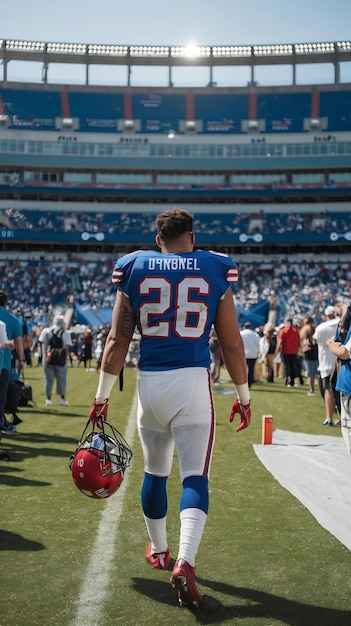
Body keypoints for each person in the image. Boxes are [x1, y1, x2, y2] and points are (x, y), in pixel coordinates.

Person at [89, 208, 251, 609]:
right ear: (191, 237)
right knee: (195, 476)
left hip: (151, 385)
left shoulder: (134, 267)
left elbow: (117, 339)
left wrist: (101, 396)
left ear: (158, 239)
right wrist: (245, 398)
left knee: (155, 473)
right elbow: (231, 344)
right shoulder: (215, 267)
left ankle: (160, 551)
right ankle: (185, 560)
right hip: (193, 382)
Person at [326, 303, 351, 453]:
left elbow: (344, 352)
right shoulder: (345, 320)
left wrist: (331, 345)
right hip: (346, 381)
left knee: (348, 427)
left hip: (348, 384)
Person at [0, 291, 24, 435]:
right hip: (4, 362)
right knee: (1, 396)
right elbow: (19, 343)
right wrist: (21, 360)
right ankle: (1, 423)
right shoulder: (12, 319)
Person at [313, 305, 341, 426]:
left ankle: (329, 417)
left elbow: (315, 341)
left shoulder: (321, 328)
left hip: (325, 362)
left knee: (327, 390)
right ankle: (341, 417)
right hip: (339, 360)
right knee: (341, 392)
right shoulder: (341, 324)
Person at [38, 315, 72, 406]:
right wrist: (68, 357)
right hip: (61, 358)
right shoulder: (65, 333)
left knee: (48, 379)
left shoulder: (46, 331)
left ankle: (48, 399)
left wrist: (44, 356)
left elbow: (43, 344)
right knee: (61, 379)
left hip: (49, 357)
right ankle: (62, 399)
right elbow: (66, 347)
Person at [275, 317, 300, 387]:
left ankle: (288, 380)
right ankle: (292, 381)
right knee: (292, 366)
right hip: (294, 351)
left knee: (287, 366)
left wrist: (276, 351)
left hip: (285, 351)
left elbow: (280, 342)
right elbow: (298, 341)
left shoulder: (283, 331)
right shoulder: (295, 331)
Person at [300, 315, 319, 395]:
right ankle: (313, 389)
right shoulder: (312, 329)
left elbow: (301, 339)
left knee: (310, 373)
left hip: (309, 353)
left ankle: (312, 390)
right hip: (314, 352)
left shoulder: (304, 330)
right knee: (314, 373)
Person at [240, 321, 260, 387]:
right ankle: (250, 382)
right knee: (251, 369)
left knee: (242, 369)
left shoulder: (241, 333)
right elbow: (259, 343)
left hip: (243, 354)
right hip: (253, 354)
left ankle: (242, 382)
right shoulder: (255, 334)